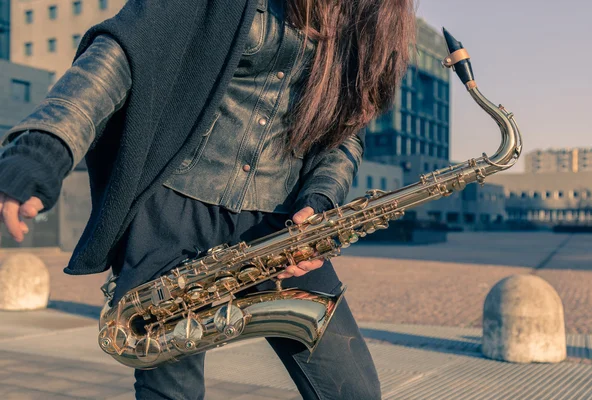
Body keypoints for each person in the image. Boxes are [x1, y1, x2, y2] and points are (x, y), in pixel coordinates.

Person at [0, 0, 415, 398]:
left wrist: (320, 204)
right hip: (170, 215)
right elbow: (122, 52)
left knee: (354, 391)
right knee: (172, 393)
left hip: (282, 229)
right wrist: (42, 147)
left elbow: (342, 136)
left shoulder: (365, 17)